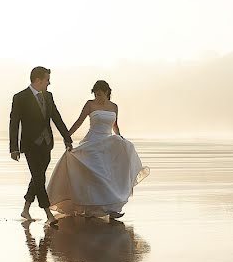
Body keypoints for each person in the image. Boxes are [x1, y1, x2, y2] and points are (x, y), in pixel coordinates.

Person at [46, 80, 148, 219]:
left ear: (106, 92)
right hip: (92, 143)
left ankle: (112, 208)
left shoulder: (114, 107)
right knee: (97, 176)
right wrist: (67, 136)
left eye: (99, 94)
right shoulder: (90, 104)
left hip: (108, 144)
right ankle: (92, 208)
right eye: (95, 94)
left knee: (110, 176)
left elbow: (115, 126)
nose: (97, 97)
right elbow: (79, 121)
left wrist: (120, 139)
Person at [9, 66, 73, 226]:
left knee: (38, 177)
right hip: (30, 145)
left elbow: (56, 118)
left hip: (46, 144)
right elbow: (14, 123)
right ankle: (48, 212)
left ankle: (25, 208)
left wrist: (67, 138)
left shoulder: (49, 96)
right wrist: (14, 147)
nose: (49, 83)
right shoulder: (20, 97)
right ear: (38, 80)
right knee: (39, 178)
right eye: (47, 80)